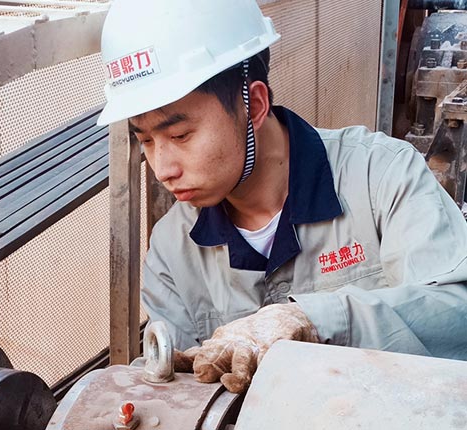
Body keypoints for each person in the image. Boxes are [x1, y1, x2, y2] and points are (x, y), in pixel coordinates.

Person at [96, 0, 467, 394]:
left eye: (180, 135)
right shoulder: (172, 250)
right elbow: (175, 390)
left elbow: (456, 313)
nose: (162, 169)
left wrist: (314, 319)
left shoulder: (382, 176)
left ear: (254, 105)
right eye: (146, 141)